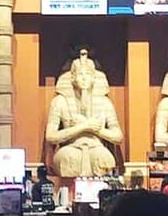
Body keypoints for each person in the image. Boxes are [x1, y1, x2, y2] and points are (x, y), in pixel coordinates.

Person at [45, 49, 123, 178]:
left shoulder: (104, 102)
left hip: (97, 147)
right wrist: (83, 127)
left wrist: (96, 130)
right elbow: (50, 136)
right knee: (67, 159)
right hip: (71, 148)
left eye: (88, 75)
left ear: (94, 78)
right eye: (81, 74)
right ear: (72, 77)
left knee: (104, 159)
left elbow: (118, 137)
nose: (84, 78)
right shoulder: (59, 101)